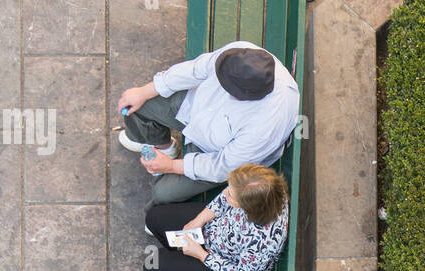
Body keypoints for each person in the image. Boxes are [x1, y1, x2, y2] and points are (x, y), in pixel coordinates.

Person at [117, 41, 300, 205]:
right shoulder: (240, 55)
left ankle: (163, 173)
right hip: (195, 109)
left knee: (162, 193)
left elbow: (224, 166)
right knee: (138, 106)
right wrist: (145, 91)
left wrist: (172, 167)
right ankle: (165, 147)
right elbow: (196, 70)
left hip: (216, 153)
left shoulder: (264, 127)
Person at [144, 164, 290, 271]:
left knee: (153, 264)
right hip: (216, 228)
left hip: (222, 263)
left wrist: (201, 255)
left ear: (248, 208)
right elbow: (223, 198)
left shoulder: (263, 243)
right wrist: (198, 220)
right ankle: (179, 263)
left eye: (231, 196)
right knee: (154, 217)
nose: (225, 193)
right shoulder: (261, 189)